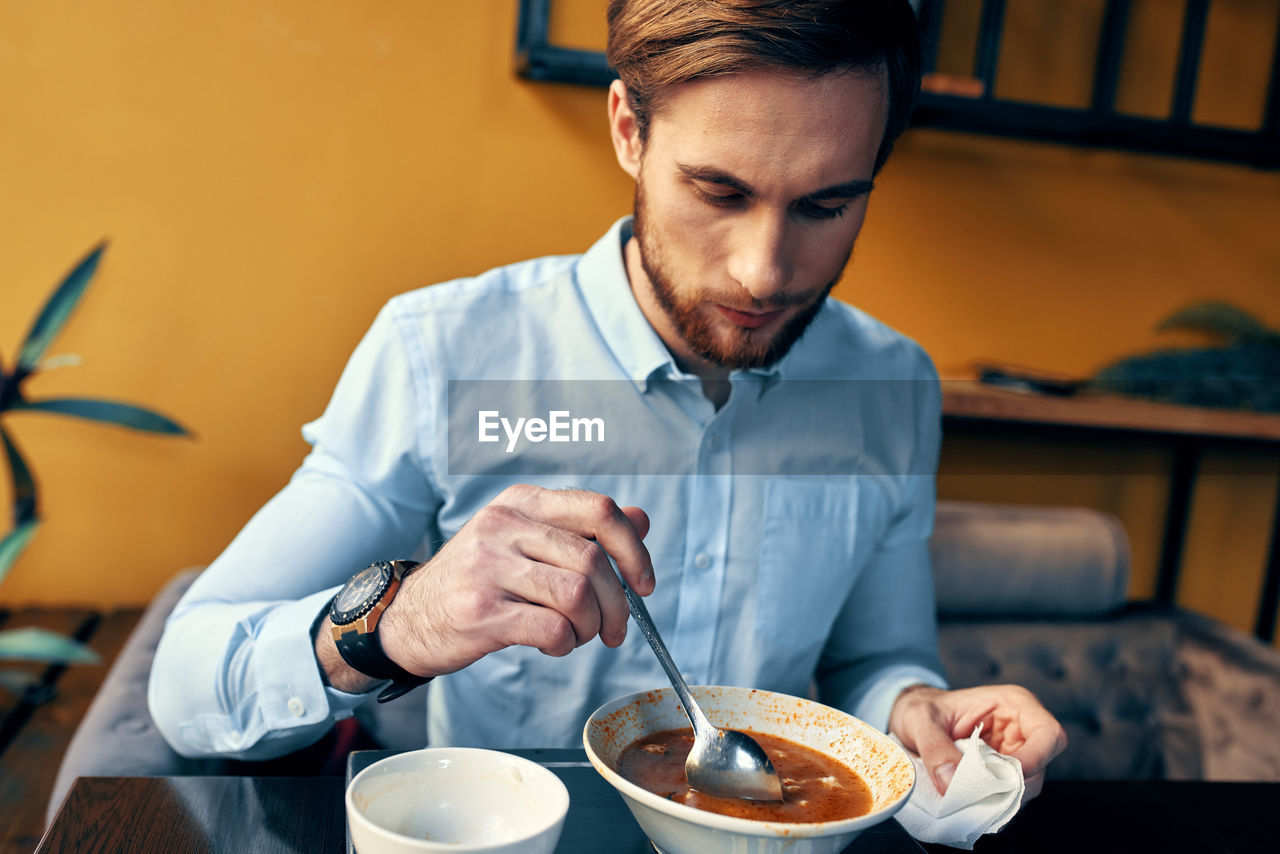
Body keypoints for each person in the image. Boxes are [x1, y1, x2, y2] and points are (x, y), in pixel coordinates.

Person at [149, 0, 1065, 803]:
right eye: (720, 191)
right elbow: (192, 686)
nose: (764, 271)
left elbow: (872, 660)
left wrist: (916, 709)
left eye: (826, 207)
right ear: (630, 128)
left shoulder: (891, 384)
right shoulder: (443, 352)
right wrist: (408, 620)